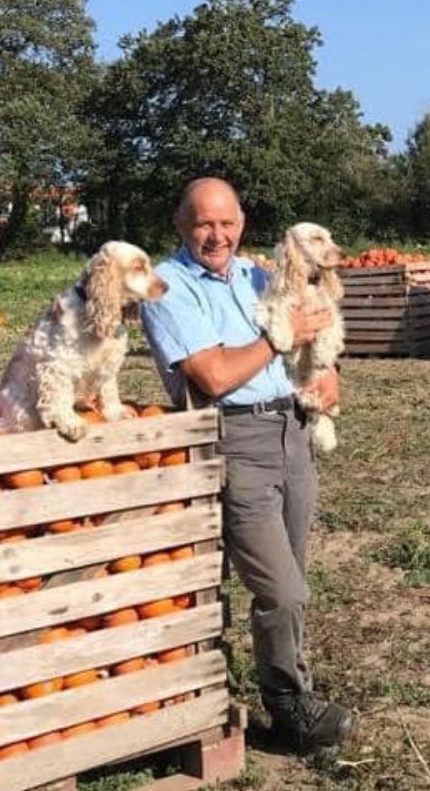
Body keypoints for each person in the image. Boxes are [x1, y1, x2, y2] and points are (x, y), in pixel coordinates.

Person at [140, 177, 356, 754]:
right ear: (181, 226)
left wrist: (327, 371)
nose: (218, 236)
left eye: (227, 223)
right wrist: (279, 338)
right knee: (280, 589)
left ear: (242, 223)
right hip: (234, 438)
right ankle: (289, 706)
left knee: (293, 580)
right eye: (204, 224)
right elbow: (210, 375)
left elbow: (311, 336)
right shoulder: (169, 287)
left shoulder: (258, 275)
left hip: (292, 428)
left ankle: (293, 687)